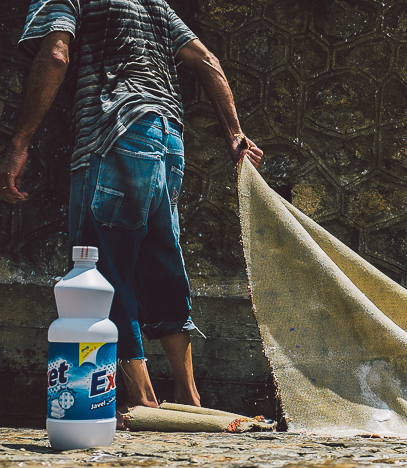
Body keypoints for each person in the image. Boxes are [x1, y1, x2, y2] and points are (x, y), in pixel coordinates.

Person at [0, 0, 263, 427]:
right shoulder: (153, 4)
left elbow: (54, 54)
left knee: (98, 268)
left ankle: (141, 401)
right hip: (167, 139)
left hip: (114, 129)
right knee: (162, 262)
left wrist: (18, 144)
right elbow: (207, 60)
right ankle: (188, 394)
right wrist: (235, 133)